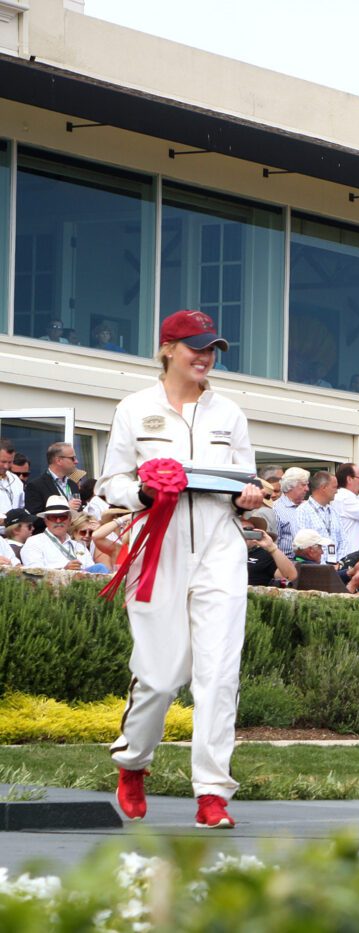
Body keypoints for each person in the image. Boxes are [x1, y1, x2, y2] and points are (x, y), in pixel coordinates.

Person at [97, 309, 263, 829]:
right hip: (157, 547)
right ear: (168, 348)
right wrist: (143, 492)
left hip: (220, 547)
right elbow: (111, 481)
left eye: (212, 348)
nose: (205, 356)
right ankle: (133, 761)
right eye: (196, 346)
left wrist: (248, 497)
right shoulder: (134, 408)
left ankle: (213, 794)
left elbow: (247, 480)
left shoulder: (229, 412)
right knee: (160, 674)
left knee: (219, 674)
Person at [292, 471, 346, 564]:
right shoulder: (302, 512)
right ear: (323, 487)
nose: (336, 491)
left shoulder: (334, 511)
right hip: (314, 568)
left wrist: (338, 563)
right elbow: (302, 546)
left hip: (336, 567)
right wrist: (324, 567)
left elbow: (343, 541)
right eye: (334, 487)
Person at [19, 496, 86, 570]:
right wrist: (64, 570)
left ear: (69, 520)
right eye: (53, 517)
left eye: (62, 517)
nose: (58, 521)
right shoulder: (34, 542)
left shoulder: (79, 545)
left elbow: (91, 568)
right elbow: (34, 572)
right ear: (45, 521)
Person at [25, 441, 83, 517]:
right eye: (73, 458)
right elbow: (34, 518)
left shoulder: (73, 484)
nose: (76, 461)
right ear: (59, 461)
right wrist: (66, 509)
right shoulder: (36, 486)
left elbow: (79, 512)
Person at [243, 514, 298, 587]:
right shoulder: (227, 552)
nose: (244, 534)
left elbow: (290, 576)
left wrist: (272, 548)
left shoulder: (264, 555)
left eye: (248, 530)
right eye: (239, 530)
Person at [0, 438, 22, 514]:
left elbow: (21, 508)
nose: (6, 466)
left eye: (10, 462)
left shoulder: (16, 480)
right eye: (3, 462)